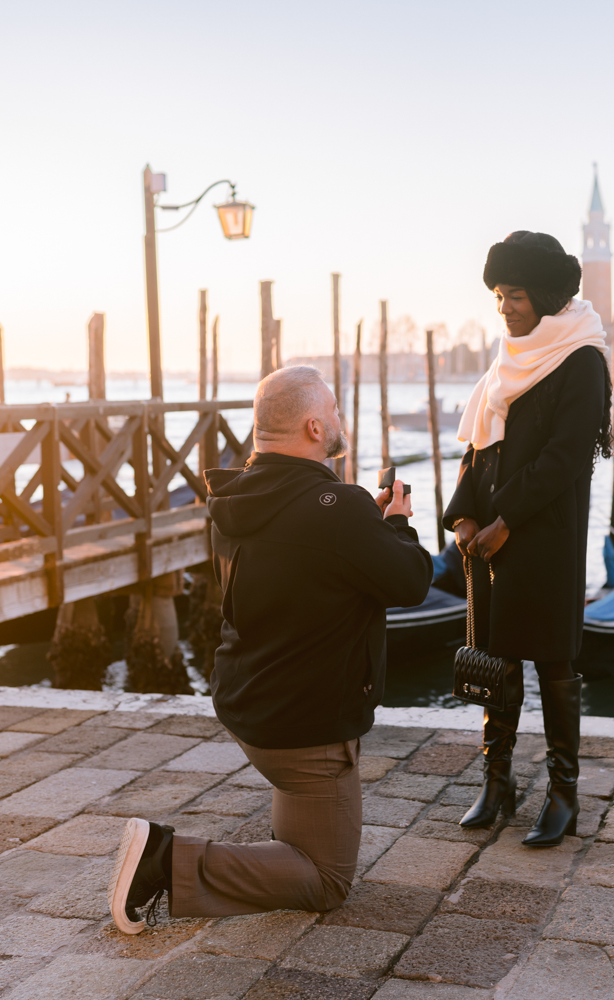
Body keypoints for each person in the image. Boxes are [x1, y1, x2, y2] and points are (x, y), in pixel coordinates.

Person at [108, 365, 432, 933]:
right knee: (327, 880)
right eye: (332, 410)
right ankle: (162, 860)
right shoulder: (338, 505)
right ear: (313, 425)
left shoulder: (236, 495)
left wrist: (366, 527)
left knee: (300, 837)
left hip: (250, 702)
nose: (338, 418)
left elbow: (311, 561)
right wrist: (397, 525)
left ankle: (289, 843)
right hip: (306, 724)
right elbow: (410, 581)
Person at [445, 231, 613, 847]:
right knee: (498, 654)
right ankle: (498, 782)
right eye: (497, 295)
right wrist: (464, 515)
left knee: (553, 659)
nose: (505, 307)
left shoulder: (582, 357)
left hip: (545, 530)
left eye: (515, 295)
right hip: (490, 532)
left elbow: (567, 456)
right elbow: (478, 445)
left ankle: (563, 792)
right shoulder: (509, 356)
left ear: (543, 294)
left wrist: (506, 519)